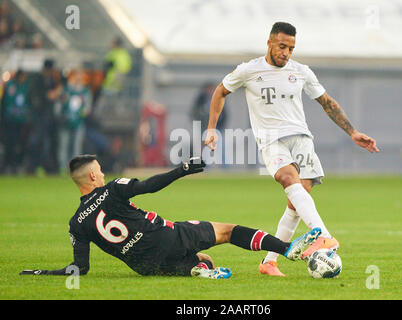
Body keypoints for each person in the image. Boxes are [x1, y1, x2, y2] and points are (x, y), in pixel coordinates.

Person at [204, 22, 379, 277]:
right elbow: (221, 92)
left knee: (296, 202)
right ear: (270, 43)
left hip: (302, 139)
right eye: (282, 46)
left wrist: (352, 132)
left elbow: (327, 102)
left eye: (291, 48)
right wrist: (211, 128)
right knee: (287, 178)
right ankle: (324, 236)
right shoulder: (249, 70)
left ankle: (269, 262)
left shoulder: (301, 72)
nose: (286, 53)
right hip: (271, 139)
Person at [19, 155, 321, 279]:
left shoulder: (75, 223)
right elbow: (150, 186)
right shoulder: (113, 189)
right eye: (99, 169)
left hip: (144, 265)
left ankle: (197, 269)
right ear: (95, 174)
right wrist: (182, 170)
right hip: (166, 236)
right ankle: (288, 249)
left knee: (206, 260)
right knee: (228, 231)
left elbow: (79, 268)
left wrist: (42, 274)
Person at [58, 69, 91, 172]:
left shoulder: (85, 91)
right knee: (64, 145)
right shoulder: (66, 90)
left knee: (76, 146)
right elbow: (60, 104)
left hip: (78, 122)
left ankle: (74, 168)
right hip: (66, 122)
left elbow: (87, 108)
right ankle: (63, 167)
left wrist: (81, 114)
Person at [0, 70, 30, 174]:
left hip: (21, 122)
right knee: (9, 144)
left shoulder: (25, 87)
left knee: (19, 145)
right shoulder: (10, 86)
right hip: (9, 122)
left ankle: (16, 166)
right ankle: (6, 166)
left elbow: (28, 103)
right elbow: (4, 104)